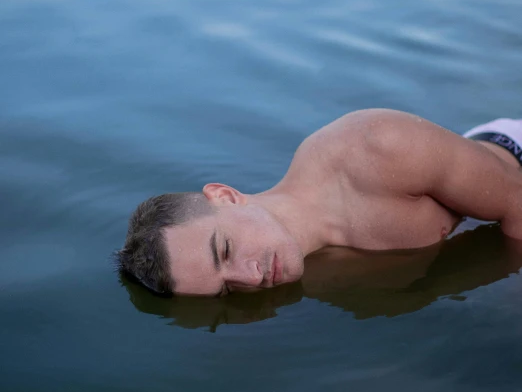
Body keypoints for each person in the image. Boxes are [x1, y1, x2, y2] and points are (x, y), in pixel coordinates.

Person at [115, 109, 522, 298]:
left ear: (225, 197)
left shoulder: (376, 150)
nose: (251, 278)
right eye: (225, 291)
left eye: (225, 250)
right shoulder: (295, 272)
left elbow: (517, 200)